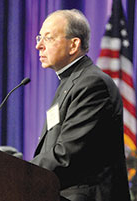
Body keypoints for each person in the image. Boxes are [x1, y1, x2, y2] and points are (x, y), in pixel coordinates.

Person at [31, 9, 130, 201]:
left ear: (73, 45)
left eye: (48, 38)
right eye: (39, 37)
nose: (39, 46)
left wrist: (23, 173)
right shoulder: (70, 82)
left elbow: (67, 154)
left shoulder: (92, 84)